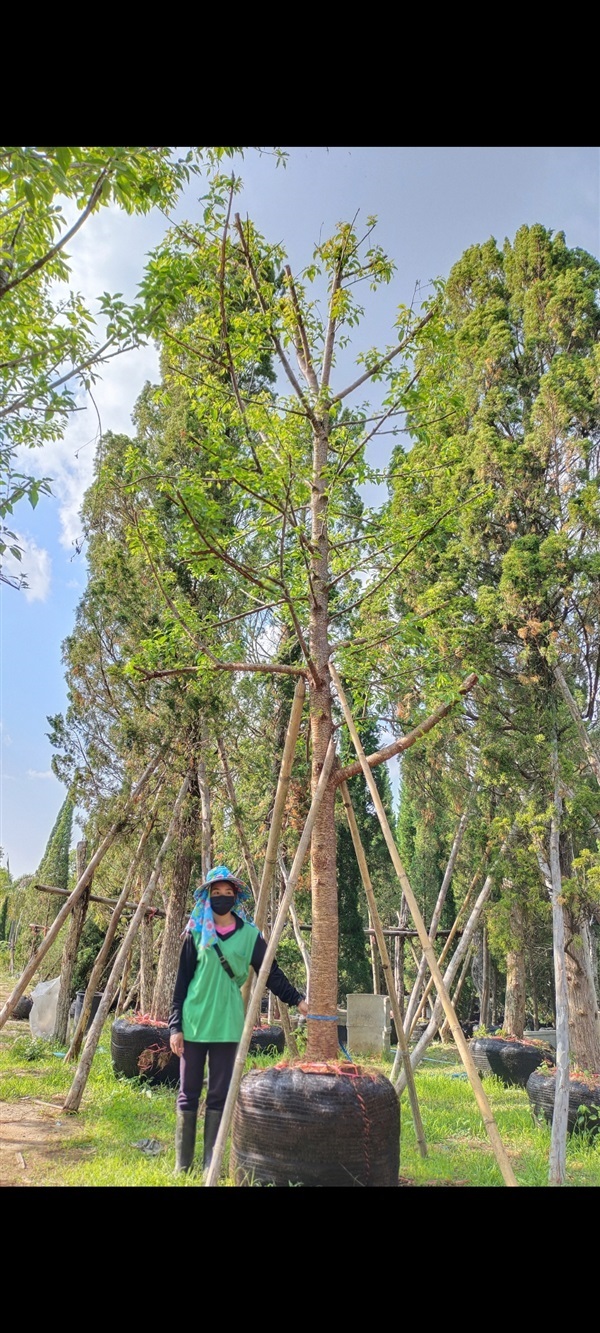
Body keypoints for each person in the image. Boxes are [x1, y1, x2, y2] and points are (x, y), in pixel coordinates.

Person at [169, 864, 309, 1176]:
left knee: (219, 1095)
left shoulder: (250, 936)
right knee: (188, 1092)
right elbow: (180, 985)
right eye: (215, 893)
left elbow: (270, 973)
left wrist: (297, 999)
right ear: (207, 897)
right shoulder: (195, 933)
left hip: (228, 1026)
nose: (221, 897)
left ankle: (210, 1164)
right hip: (193, 1024)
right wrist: (175, 1026)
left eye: (226, 893)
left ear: (235, 897)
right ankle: (183, 1166)